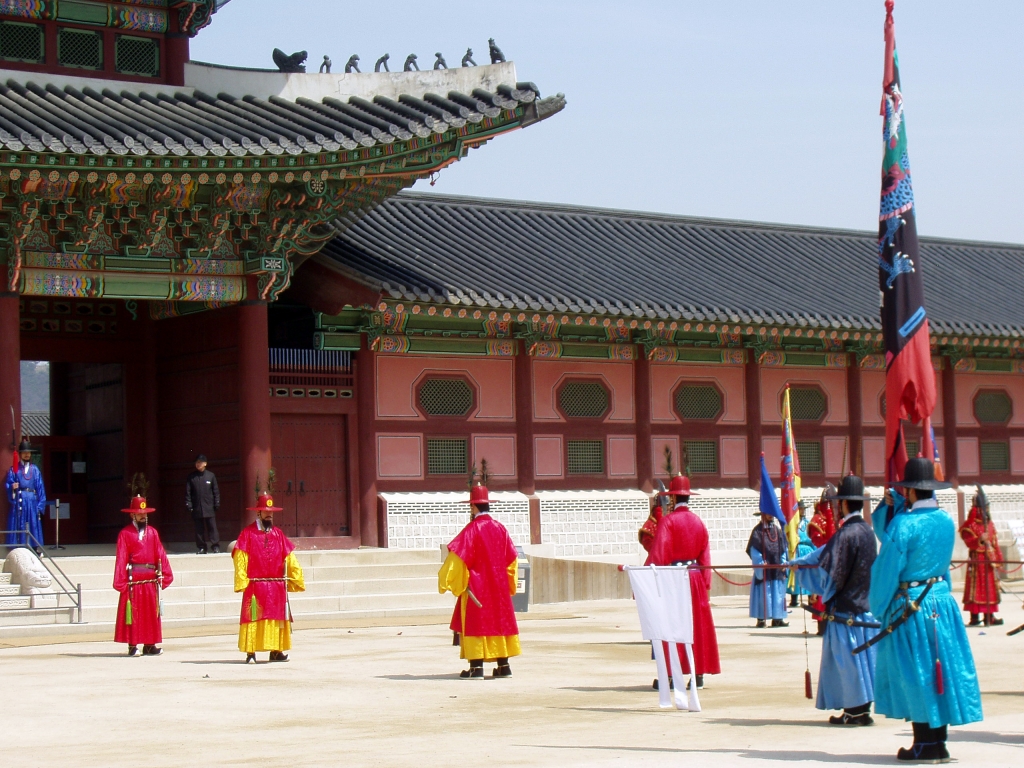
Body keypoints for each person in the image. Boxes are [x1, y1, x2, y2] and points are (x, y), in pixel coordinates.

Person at [870, 457, 983, 763]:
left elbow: (887, 567)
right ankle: (939, 742)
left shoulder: (903, 524)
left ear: (908, 491)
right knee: (941, 669)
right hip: (941, 601)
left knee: (916, 671)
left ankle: (923, 743)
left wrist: (879, 606)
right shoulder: (945, 520)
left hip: (912, 606)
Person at [792, 474, 878, 725]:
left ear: (844, 504)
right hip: (865, 608)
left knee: (849, 664)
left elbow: (827, 567)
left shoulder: (845, 534)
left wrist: (800, 568)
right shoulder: (867, 531)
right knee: (863, 662)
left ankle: (854, 713)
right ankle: (862, 710)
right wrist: (802, 562)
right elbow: (825, 553)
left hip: (845, 611)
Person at [647, 474, 720, 691]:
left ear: (672, 498)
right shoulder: (698, 522)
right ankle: (698, 675)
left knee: (670, 625)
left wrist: (648, 581)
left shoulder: (668, 522)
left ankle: (670, 675)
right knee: (697, 625)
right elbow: (705, 558)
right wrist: (705, 584)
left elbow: (659, 555)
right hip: (695, 578)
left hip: (674, 579)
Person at [438, 484, 520, 678]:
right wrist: (509, 584)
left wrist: (447, 580)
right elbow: (512, 560)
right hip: (498, 586)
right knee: (499, 622)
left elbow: (457, 557)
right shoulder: (500, 528)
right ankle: (504, 665)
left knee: (477, 623)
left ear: (473, 506)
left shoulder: (472, 530)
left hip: (478, 586)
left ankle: (476, 668)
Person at [233, 492, 305, 663]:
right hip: (255, 585)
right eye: (266, 512)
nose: (269, 515)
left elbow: (289, 557)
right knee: (253, 617)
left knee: (276, 619)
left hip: (276, 585)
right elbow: (240, 557)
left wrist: (295, 577)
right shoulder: (247, 534)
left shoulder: (278, 534)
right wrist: (242, 579)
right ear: (258, 513)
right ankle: (251, 652)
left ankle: (276, 651)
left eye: (271, 512)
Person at [113, 495, 173, 657]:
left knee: (150, 612)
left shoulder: (152, 533)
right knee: (134, 612)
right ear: (132, 515)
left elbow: (160, 553)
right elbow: (121, 558)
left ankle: (150, 644)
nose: (143, 516)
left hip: (150, 578)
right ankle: (133, 645)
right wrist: (121, 580)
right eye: (140, 514)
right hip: (134, 579)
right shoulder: (125, 534)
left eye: (145, 514)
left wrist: (165, 574)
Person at [960, 486, 1003, 627]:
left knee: (990, 588)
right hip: (977, 561)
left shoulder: (990, 524)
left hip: (988, 561)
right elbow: (968, 541)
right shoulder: (970, 525)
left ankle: (989, 616)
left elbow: (995, 543)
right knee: (976, 588)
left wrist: (998, 558)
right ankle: (974, 616)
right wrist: (980, 539)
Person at [747, 510, 788, 627]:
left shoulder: (777, 530)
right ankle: (761, 619)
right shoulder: (757, 532)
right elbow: (754, 549)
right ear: (763, 515)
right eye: (768, 513)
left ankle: (777, 618)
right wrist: (760, 563)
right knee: (763, 594)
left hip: (776, 567)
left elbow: (783, 548)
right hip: (764, 568)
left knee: (777, 593)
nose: (771, 515)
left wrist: (783, 562)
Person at [5, 439, 46, 551]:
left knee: (33, 524)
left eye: (29, 452)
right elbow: (8, 484)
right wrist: (12, 487)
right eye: (24, 452)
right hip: (20, 500)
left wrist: (39, 506)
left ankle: (35, 548)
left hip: (32, 501)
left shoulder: (35, 470)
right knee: (19, 523)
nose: (27, 454)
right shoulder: (14, 469)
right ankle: (18, 547)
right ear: (20, 454)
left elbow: (40, 488)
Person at [808, 484, 838, 635]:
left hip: (837, 561)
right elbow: (818, 541)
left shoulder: (838, 517)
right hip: (823, 560)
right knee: (821, 593)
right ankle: (822, 626)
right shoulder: (817, 519)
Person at [186, 454, 220, 554]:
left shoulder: (210, 476)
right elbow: (188, 492)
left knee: (212, 528)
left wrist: (216, 503)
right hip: (197, 506)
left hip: (209, 506)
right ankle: (202, 547)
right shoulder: (192, 477)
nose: (198, 464)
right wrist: (189, 504)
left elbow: (215, 491)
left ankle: (215, 546)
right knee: (199, 529)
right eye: (197, 462)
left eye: (200, 462)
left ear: (205, 463)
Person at [787, 501, 815, 607]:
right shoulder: (792, 524)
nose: (802, 511)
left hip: (807, 550)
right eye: (800, 509)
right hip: (796, 549)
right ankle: (794, 598)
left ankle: (810, 598)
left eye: (803, 509)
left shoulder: (808, 523)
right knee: (795, 573)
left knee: (809, 574)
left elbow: (813, 539)